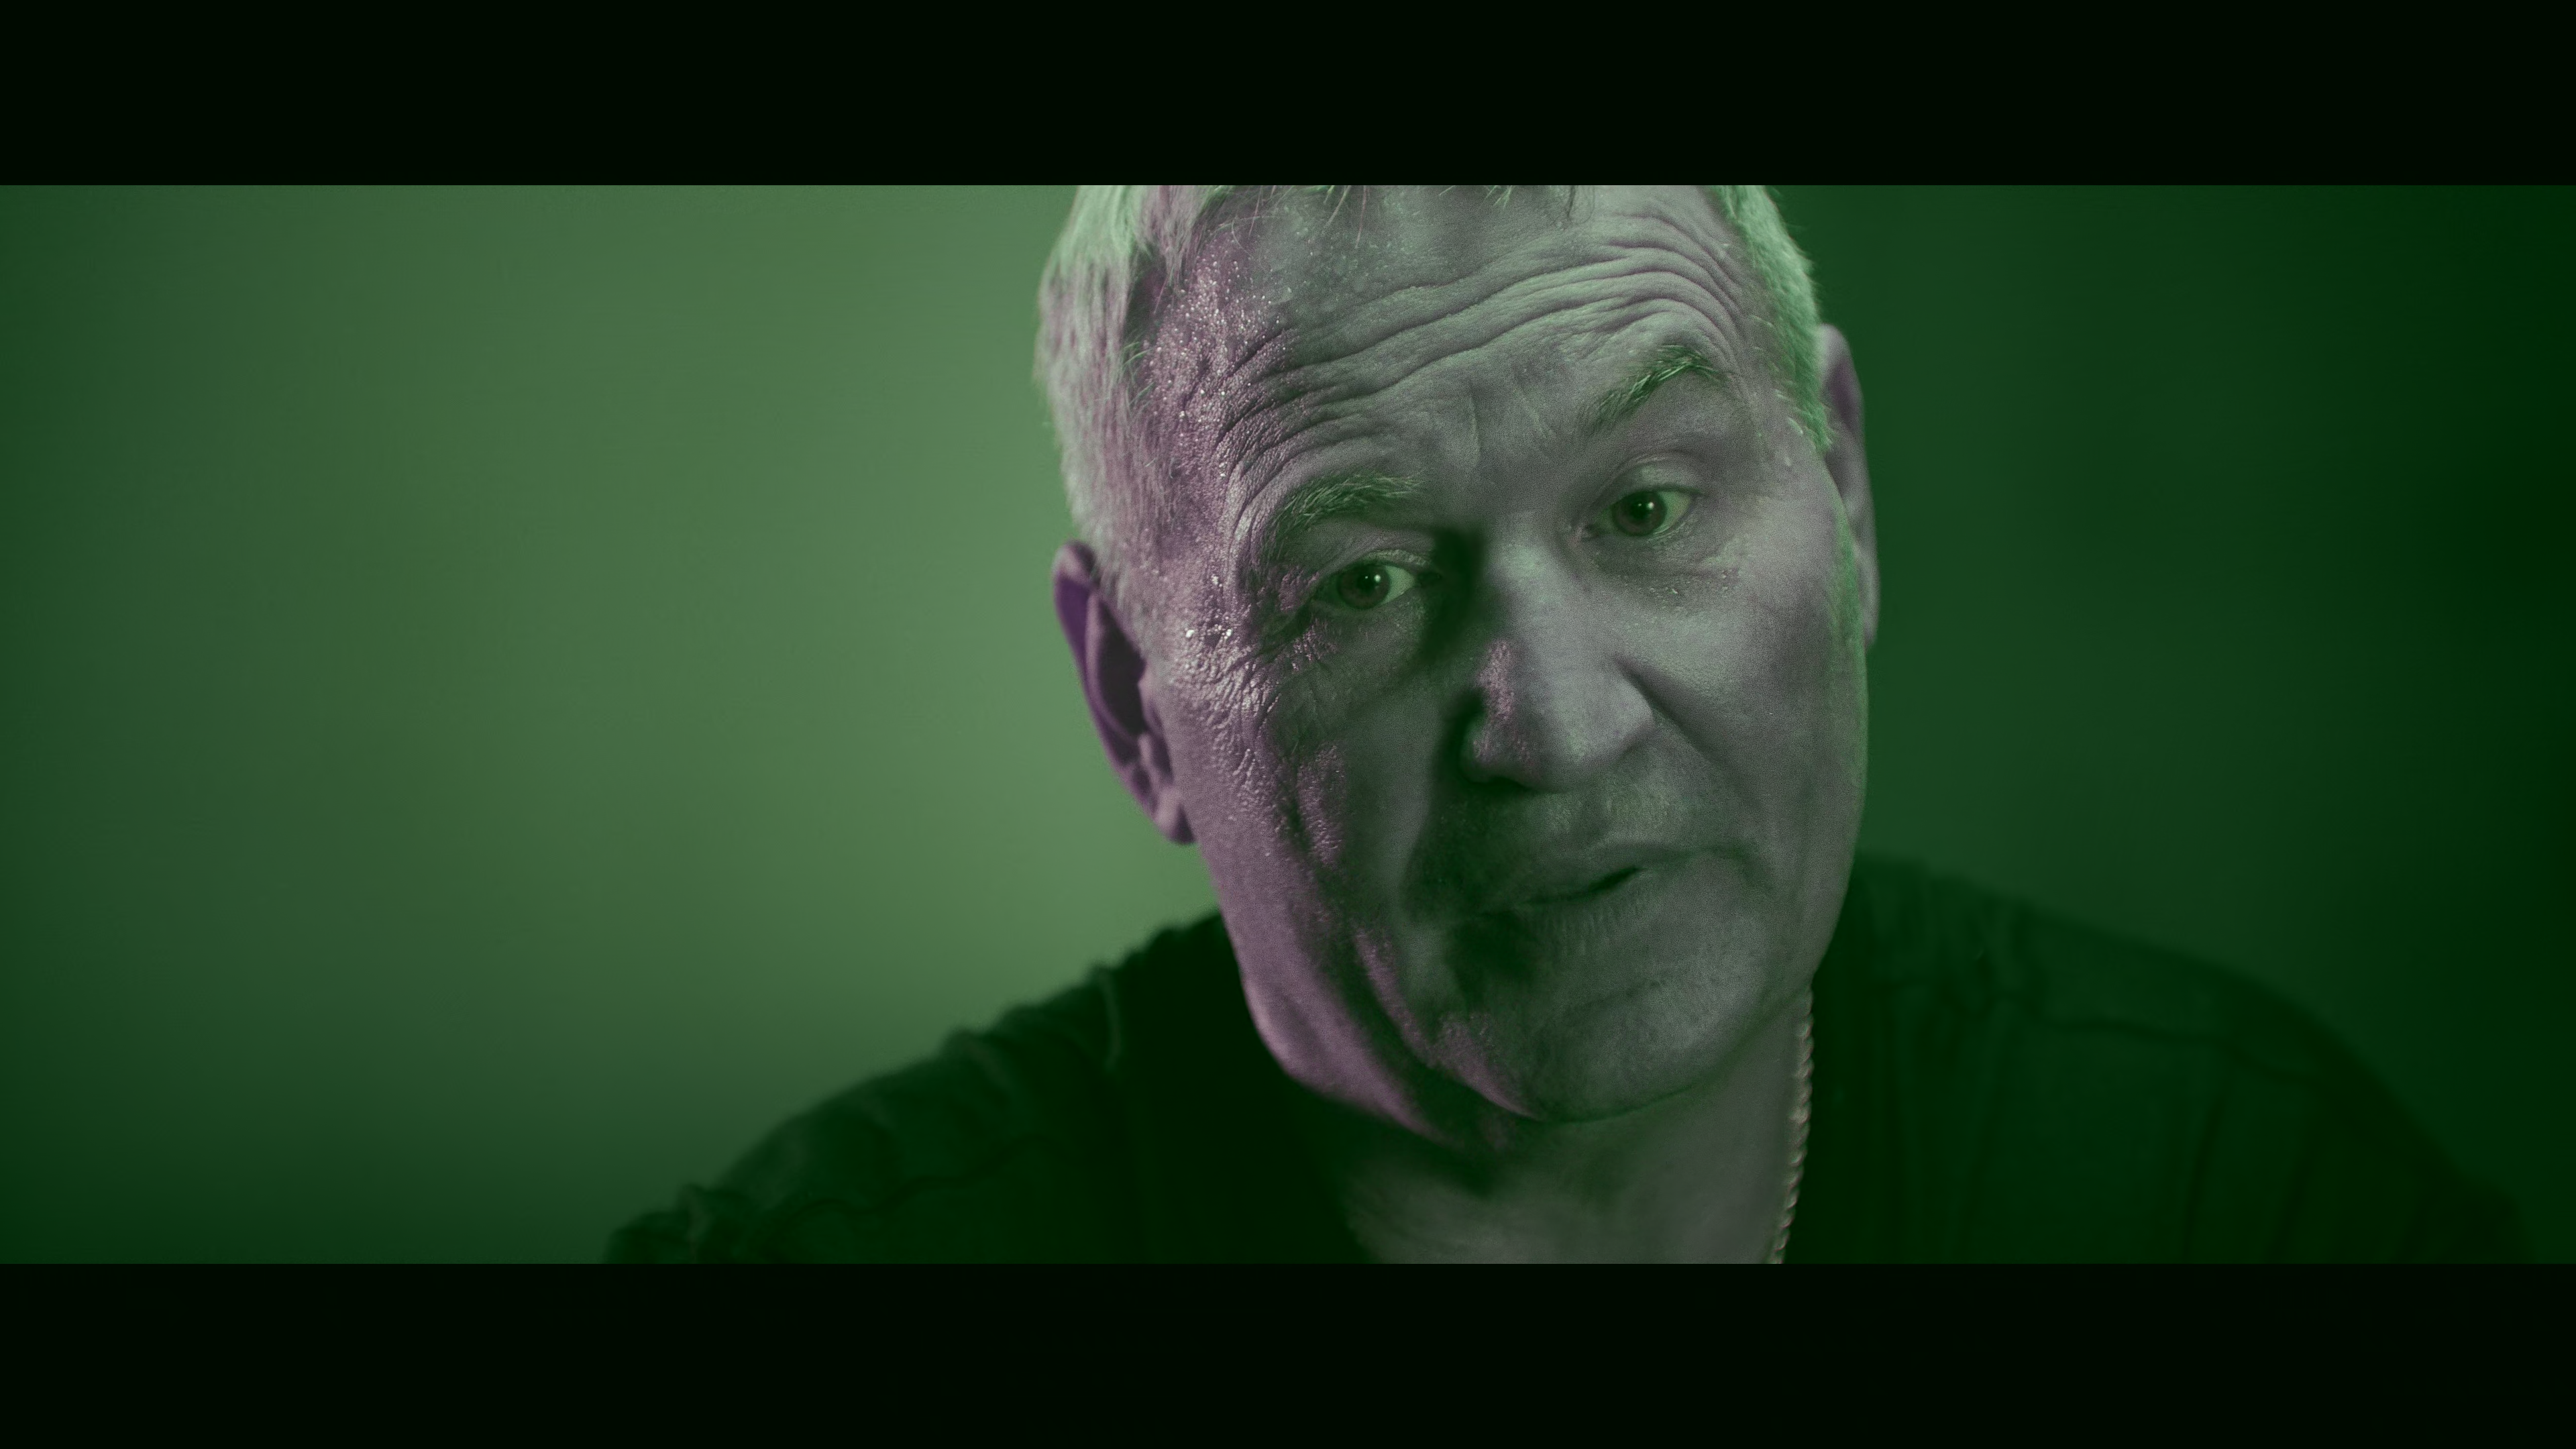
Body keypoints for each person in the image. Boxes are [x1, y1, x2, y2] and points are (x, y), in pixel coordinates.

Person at [609, 186, 2523, 1263]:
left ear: (1846, 497)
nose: (1562, 726)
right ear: (1136, 708)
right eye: (1365, 583)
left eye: (1651, 509)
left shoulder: (2229, 1199)